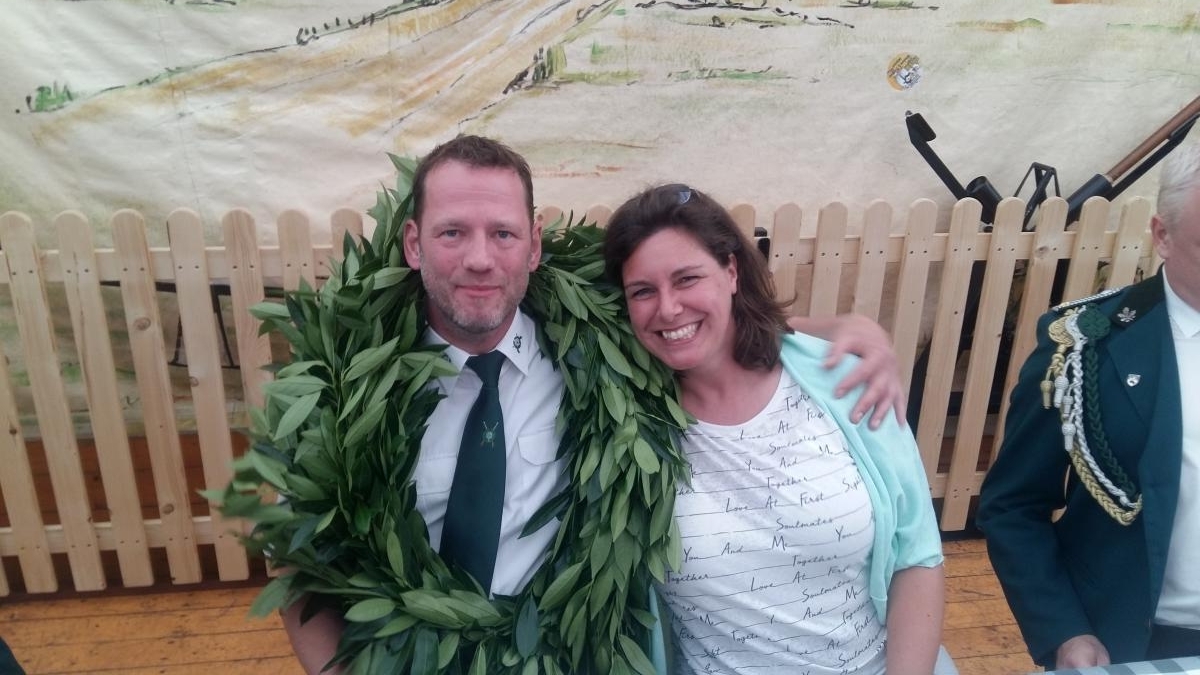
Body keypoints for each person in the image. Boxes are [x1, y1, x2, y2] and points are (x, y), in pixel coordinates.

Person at [282, 136, 908, 673]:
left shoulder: (597, 343)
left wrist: (846, 329)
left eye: (503, 233)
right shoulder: (343, 392)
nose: (479, 259)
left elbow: (692, 320)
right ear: (413, 243)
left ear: (534, 247)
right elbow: (298, 567)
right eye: (452, 233)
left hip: (565, 655)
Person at [603, 184, 945, 675]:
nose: (668, 308)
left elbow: (916, 555)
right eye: (642, 291)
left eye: (687, 278)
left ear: (731, 270)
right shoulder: (624, 416)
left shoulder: (845, 381)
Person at [977, 142, 1200, 669]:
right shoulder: (1086, 345)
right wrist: (1064, 630)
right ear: (1162, 236)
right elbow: (1013, 505)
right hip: (1138, 642)